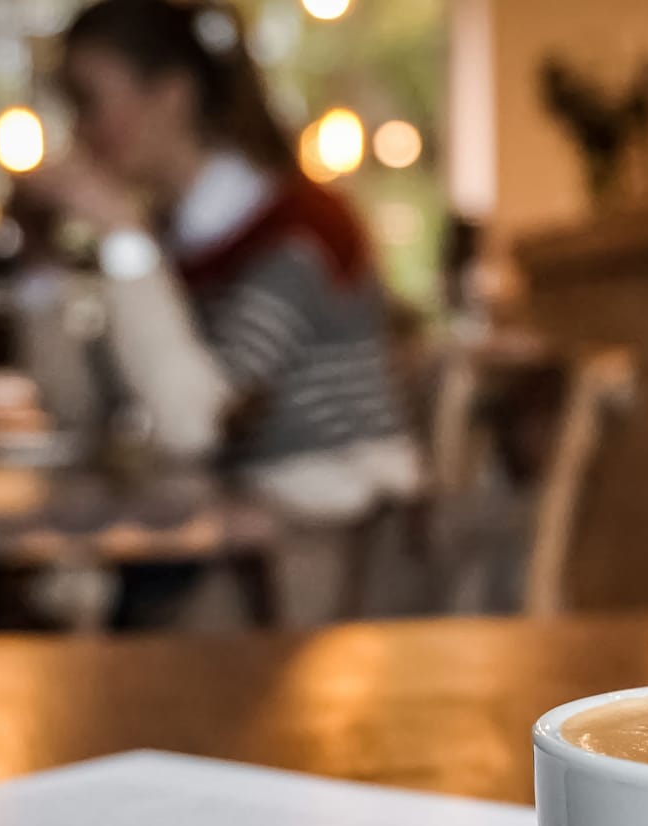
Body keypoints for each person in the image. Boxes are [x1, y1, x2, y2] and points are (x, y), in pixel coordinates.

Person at [23, 0, 420, 624]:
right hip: (232, 535)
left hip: (325, 547)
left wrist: (124, 241)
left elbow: (195, 426)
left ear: (171, 96)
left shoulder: (297, 232)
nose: (81, 131)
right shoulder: (175, 245)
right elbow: (84, 411)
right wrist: (42, 269)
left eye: (91, 100)